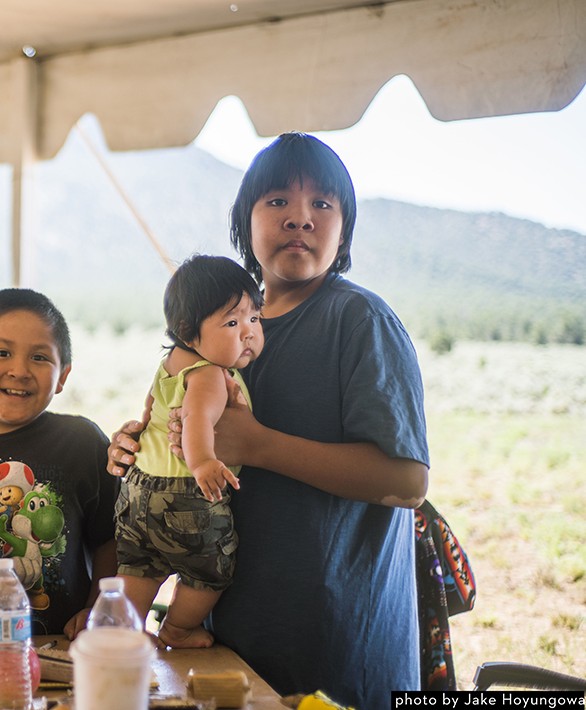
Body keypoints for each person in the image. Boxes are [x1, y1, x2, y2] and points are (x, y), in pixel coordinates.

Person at [107, 133, 428, 710]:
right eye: (277, 201)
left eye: (322, 205)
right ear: (244, 223)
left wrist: (257, 445)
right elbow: (193, 421)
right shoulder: (224, 330)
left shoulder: (360, 321)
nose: (299, 218)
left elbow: (407, 482)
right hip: (228, 633)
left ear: (344, 228)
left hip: (331, 645)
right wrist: (139, 445)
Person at [0, 288, 119, 637]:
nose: (20, 370)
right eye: (2, 352)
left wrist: (96, 612)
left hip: (61, 643)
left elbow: (111, 539)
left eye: (40, 358)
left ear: (62, 376)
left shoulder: (82, 442)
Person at [115, 255, 263, 650]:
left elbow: (148, 414)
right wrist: (202, 462)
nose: (248, 332)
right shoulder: (211, 374)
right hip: (187, 495)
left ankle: (125, 632)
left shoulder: (169, 364)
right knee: (210, 570)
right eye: (232, 323)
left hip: (137, 490)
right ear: (187, 331)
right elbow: (197, 416)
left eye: (254, 319)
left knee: (140, 566)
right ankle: (177, 629)